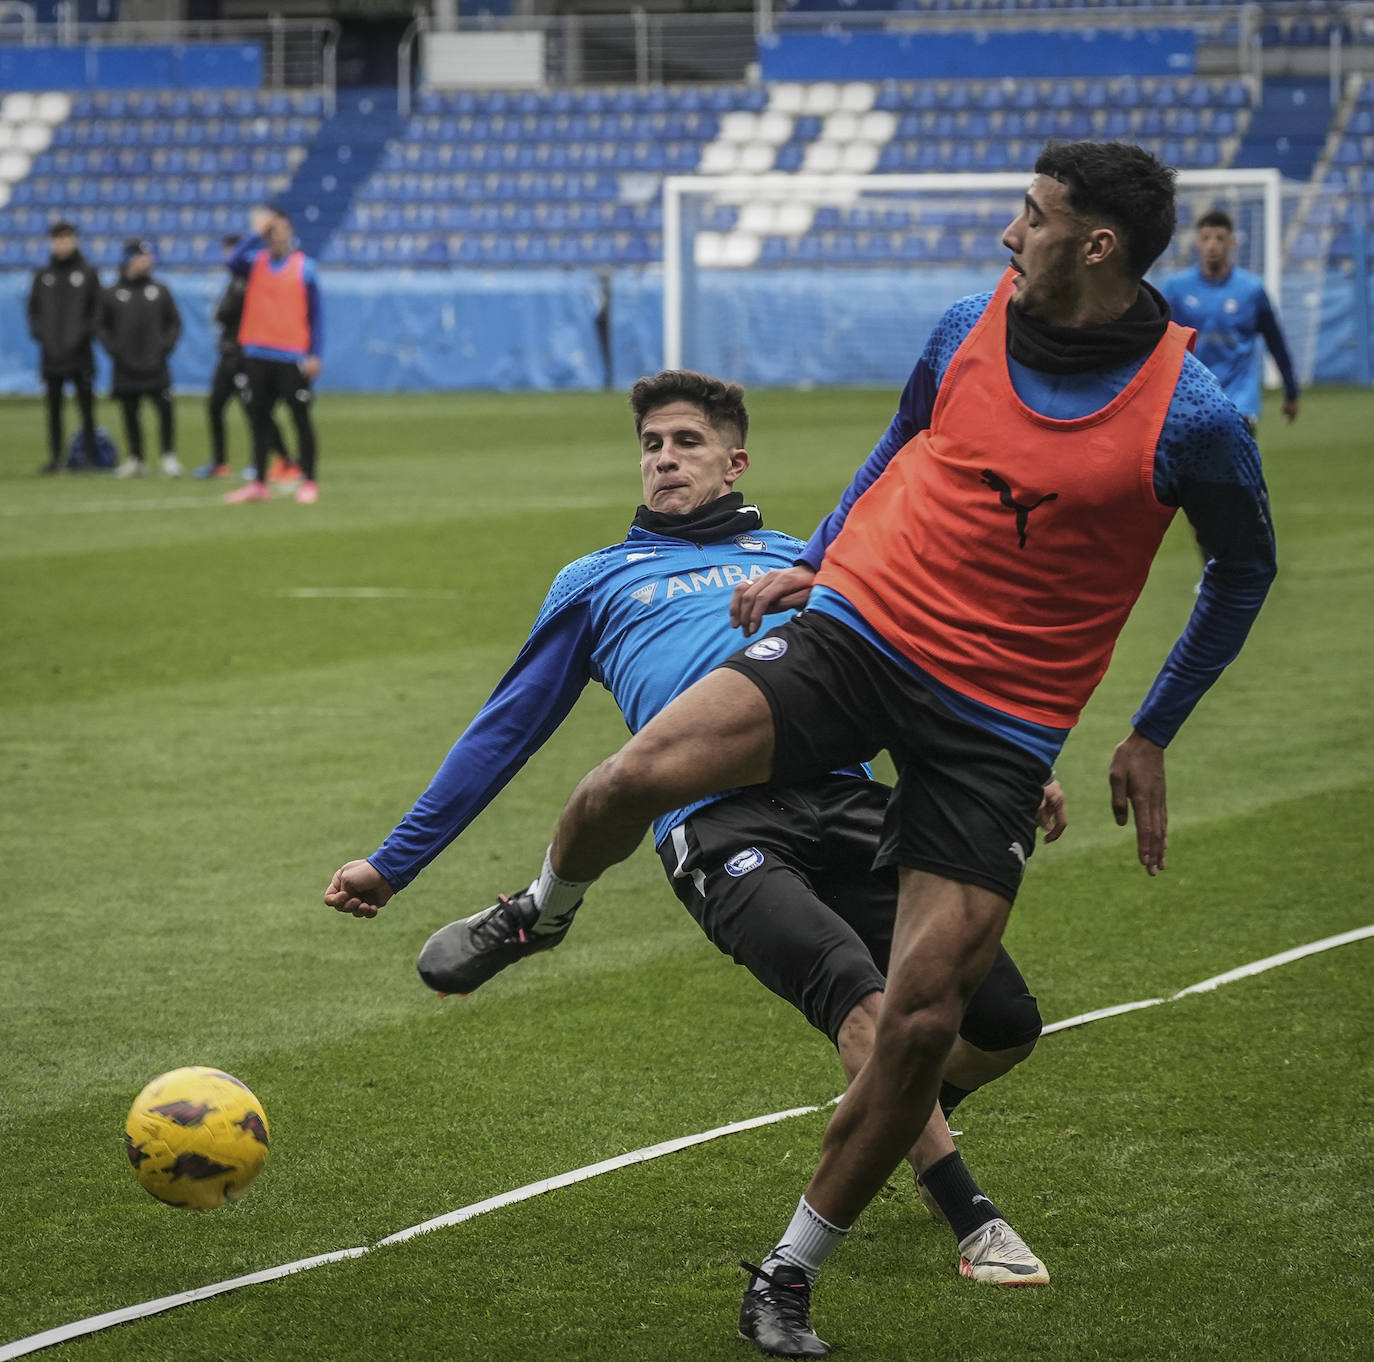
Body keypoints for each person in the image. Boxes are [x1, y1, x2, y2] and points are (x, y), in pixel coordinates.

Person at [334, 142, 1276, 1357]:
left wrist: (1150, 731)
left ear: (1097, 246)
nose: (1007, 233)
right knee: (636, 775)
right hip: (866, 635)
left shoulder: (1192, 415)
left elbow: (1244, 569)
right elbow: (896, 444)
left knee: (933, 1023)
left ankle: (787, 1273)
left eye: (1032, 217)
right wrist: (821, 557)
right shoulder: (962, 327)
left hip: (999, 720)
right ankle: (544, 909)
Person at [325, 370, 1064, 1290]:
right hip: (717, 825)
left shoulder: (806, 559)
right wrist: (394, 863)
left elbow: (908, 681)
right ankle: (973, 1218)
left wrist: (1008, 770)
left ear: (734, 460)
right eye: (651, 446)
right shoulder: (597, 581)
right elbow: (506, 727)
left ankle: (899, 1112)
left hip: (851, 804)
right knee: (859, 999)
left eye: (685, 443)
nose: (664, 459)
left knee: (1005, 1024)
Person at [1162, 209, 1300, 433]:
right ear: (1198, 242)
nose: (1212, 245)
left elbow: (1276, 341)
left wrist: (1291, 390)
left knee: (1239, 468)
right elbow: (1160, 343)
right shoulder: (1176, 289)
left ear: (1232, 242)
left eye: (1219, 238)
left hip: (1240, 402)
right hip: (1191, 399)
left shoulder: (1251, 290)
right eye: (1206, 238)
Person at [223, 208, 323, 505]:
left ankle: (309, 480)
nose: (277, 237)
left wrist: (315, 353)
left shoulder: (305, 267)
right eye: (272, 232)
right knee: (259, 419)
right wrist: (254, 234)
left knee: (300, 418)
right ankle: (259, 483)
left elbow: (317, 316)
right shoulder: (256, 263)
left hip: (291, 355)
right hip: (257, 352)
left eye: (281, 231)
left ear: (290, 233)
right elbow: (232, 262)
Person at [195, 234, 289, 481]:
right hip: (227, 355)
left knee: (256, 410)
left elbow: (228, 313)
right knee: (215, 406)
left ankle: (282, 459)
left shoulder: (253, 280)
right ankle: (220, 461)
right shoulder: (235, 281)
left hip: (244, 356)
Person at [100, 239, 183, 478]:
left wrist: (164, 347)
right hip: (126, 365)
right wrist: (114, 349)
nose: (148, 261)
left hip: (156, 364)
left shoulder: (160, 290)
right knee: (129, 412)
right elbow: (101, 325)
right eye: (142, 256)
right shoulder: (112, 293)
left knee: (165, 410)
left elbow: (174, 323)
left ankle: (168, 456)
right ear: (129, 260)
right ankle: (136, 458)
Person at [27, 220, 101, 475]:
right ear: (52, 242)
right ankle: (56, 457)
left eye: (67, 238)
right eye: (58, 238)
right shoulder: (43, 276)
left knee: (86, 408)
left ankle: (90, 458)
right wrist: (43, 336)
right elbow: (34, 311)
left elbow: (96, 311)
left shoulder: (88, 274)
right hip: (52, 354)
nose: (63, 243)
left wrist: (83, 336)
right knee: (54, 409)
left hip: (80, 353)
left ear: (75, 240)